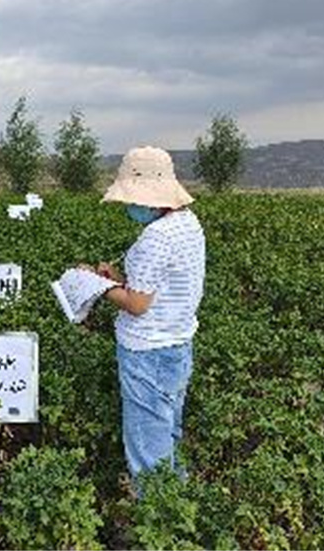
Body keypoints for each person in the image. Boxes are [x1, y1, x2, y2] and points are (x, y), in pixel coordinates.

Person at [87, 145, 205, 484]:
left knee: (146, 444)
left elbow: (138, 305)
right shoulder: (188, 224)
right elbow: (159, 286)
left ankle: (158, 520)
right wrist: (120, 280)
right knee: (167, 428)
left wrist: (96, 285)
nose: (130, 206)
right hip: (178, 343)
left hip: (146, 351)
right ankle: (177, 500)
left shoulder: (156, 236)